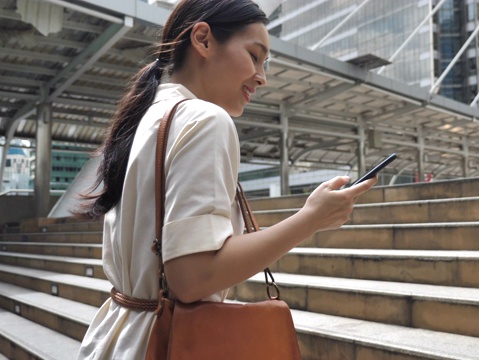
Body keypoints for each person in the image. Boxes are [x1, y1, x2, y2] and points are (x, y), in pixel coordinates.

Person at [75, 0, 376, 358]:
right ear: (203, 39)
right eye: (254, 55)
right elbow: (193, 277)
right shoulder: (205, 119)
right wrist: (310, 219)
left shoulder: (146, 116)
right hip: (163, 343)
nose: (262, 77)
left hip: (116, 335)